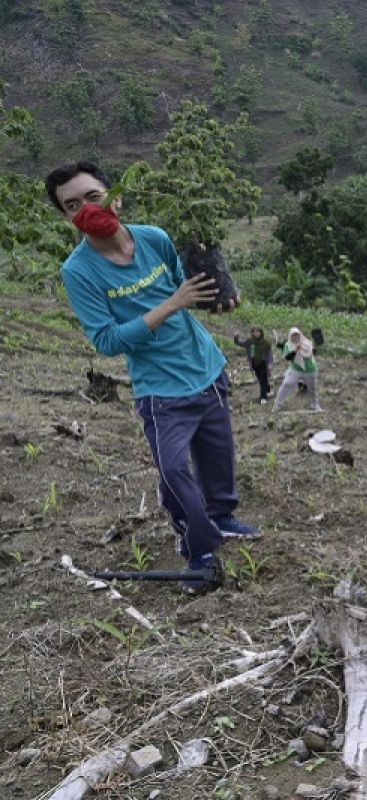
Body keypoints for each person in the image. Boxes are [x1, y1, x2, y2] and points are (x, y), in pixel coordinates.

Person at [46, 161, 258, 594]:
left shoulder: (154, 239)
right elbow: (107, 340)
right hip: (160, 390)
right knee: (174, 472)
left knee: (219, 456)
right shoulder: (79, 271)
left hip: (206, 366)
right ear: (66, 218)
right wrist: (172, 304)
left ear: (115, 195)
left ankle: (222, 515)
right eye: (71, 206)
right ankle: (199, 547)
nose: (85, 209)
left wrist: (217, 296)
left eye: (92, 196)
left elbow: (187, 290)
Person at [273, 327, 321, 412]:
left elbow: (313, 353)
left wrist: (314, 346)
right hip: (295, 369)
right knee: (286, 384)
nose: (295, 338)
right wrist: (295, 350)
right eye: (293, 336)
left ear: (300, 335)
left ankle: (315, 405)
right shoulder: (288, 345)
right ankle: (278, 405)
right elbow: (287, 357)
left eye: (297, 335)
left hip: (310, 369)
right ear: (290, 337)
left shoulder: (307, 343)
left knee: (312, 388)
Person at [233, 327, 273, 404]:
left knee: (263, 379)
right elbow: (239, 343)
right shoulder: (249, 342)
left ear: (261, 333)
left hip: (263, 363)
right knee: (260, 378)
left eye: (258, 332)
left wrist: (270, 363)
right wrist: (236, 337)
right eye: (254, 332)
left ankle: (263, 397)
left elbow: (269, 354)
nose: (256, 334)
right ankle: (267, 389)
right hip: (254, 363)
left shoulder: (265, 343)